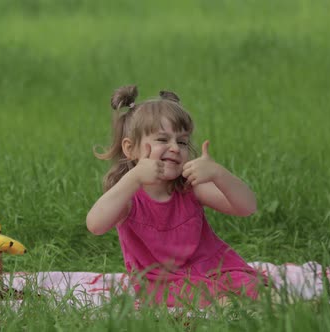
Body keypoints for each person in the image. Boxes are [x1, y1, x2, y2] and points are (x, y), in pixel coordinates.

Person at [86, 85, 267, 307]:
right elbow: (95, 224)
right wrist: (133, 178)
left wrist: (219, 174)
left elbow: (247, 207)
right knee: (214, 297)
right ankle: (236, 309)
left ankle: (286, 310)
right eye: (163, 140)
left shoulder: (189, 187)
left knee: (253, 286)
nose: (174, 148)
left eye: (181, 142)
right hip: (162, 283)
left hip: (211, 267)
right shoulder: (130, 198)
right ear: (131, 149)